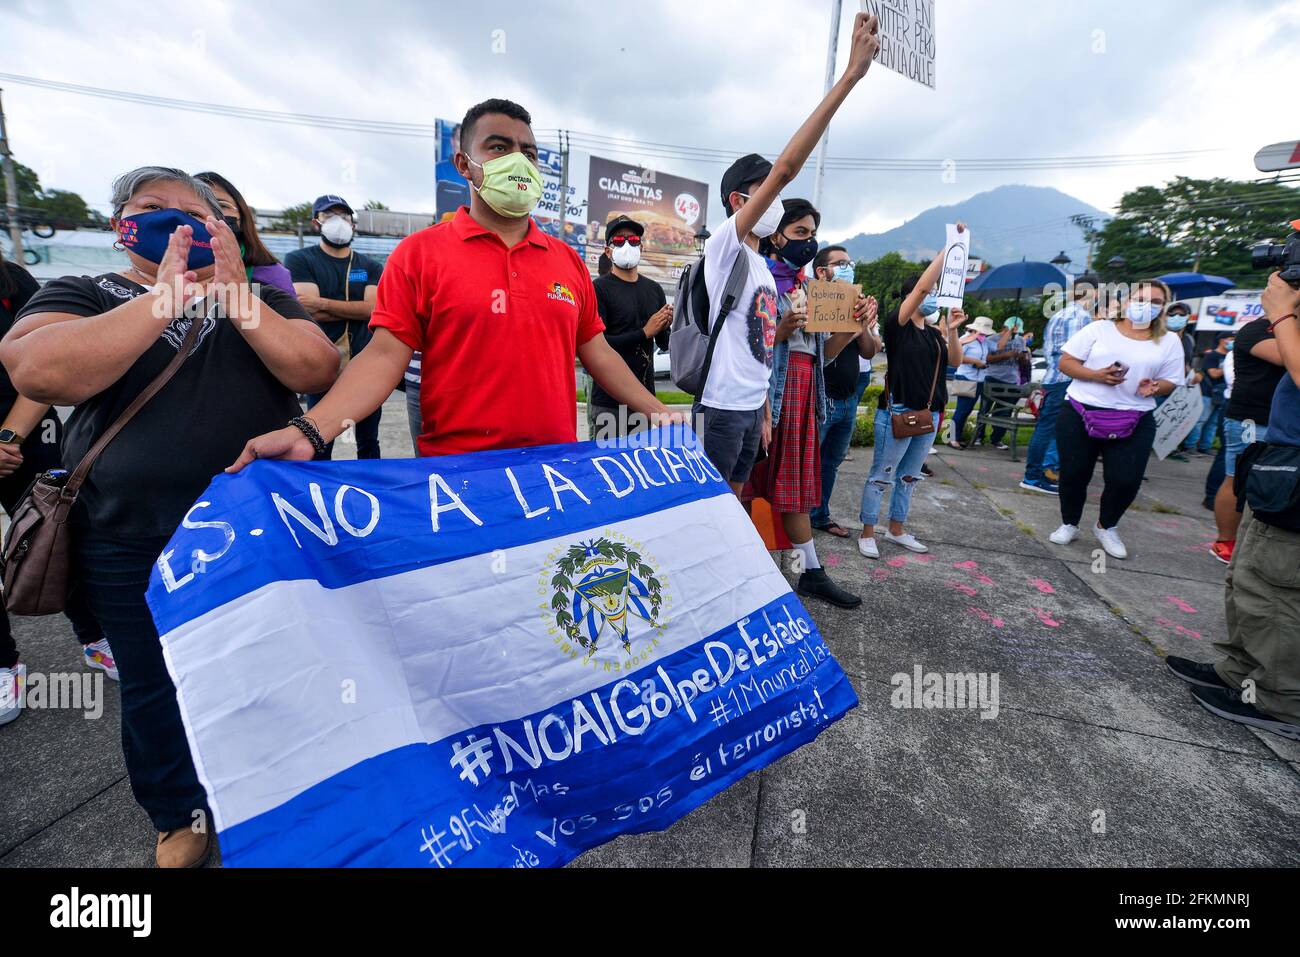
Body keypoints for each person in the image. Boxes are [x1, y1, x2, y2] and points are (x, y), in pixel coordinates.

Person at [0, 166, 338, 866]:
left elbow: (316, 368)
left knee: (266, 663)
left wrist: (236, 294)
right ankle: (176, 808)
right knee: (153, 684)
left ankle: (272, 783)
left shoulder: (256, 300)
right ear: (122, 222)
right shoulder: (87, 292)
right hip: (126, 535)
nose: (180, 222)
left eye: (200, 212)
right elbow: (38, 368)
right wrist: (164, 298)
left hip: (253, 532)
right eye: (155, 209)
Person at [228, 98, 680, 472]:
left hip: (553, 472)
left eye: (529, 151)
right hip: (455, 477)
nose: (517, 160)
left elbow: (597, 351)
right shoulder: (419, 254)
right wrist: (311, 429)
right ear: (465, 163)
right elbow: (384, 357)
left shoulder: (567, 261)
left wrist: (658, 413)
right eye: (499, 147)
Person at [697, 11, 882, 505]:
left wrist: (762, 410)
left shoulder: (761, 264)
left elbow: (757, 345)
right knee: (708, 513)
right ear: (741, 201)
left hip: (748, 408)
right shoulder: (726, 246)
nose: (777, 202)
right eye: (767, 194)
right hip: (717, 410)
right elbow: (786, 167)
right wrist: (850, 78)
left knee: (733, 507)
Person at [1166, 270, 1300, 739]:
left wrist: (1283, 311)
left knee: (1279, 588)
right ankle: (1239, 671)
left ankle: (1280, 700)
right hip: (1280, 462)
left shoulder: (1283, 321)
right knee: (1249, 574)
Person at [0, 248, 108, 727]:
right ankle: (4, 663)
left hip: (24, 436)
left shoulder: (12, 279)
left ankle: (96, 638)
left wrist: (8, 436)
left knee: (59, 534)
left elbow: (41, 361)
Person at [753, 202, 878, 608]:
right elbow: (742, 350)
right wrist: (780, 333)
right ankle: (760, 571)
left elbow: (823, 355)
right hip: (769, 394)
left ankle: (808, 571)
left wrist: (856, 324)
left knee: (795, 487)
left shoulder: (808, 289)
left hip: (805, 390)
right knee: (749, 481)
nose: (809, 242)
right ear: (777, 235)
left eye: (812, 234)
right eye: (801, 233)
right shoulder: (759, 279)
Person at [1049, 280, 1185, 559]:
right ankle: (1069, 523)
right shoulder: (1099, 329)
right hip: (1081, 411)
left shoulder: (1170, 340)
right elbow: (1066, 362)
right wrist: (1097, 375)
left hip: (1135, 417)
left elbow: (1172, 381)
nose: (1147, 305)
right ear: (1126, 301)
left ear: (1163, 309)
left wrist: (1156, 387)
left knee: (1125, 479)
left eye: (1156, 302)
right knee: (1074, 474)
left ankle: (1106, 526)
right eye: (1141, 298)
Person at [858, 233, 966, 560]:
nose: (932, 297)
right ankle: (867, 532)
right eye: (928, 293)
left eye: (934, 293)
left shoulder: (933, 333)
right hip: (898, 411)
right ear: (912, 297)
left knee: (909, 476)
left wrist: (953, 330)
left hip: (929, 413)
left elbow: (955, 362)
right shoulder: (898, 324)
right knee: (882, 475)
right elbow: (921, 288)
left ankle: (897, 528)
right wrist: (949, 250)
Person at [284, 195, 385, 460]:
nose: (338, 222)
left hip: (365, 363)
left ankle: (370, 488)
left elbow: (374, 310)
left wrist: (322, 303)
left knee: (368, 440)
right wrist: (351, 308)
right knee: (318, 439)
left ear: (353, 224)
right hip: (322, 365)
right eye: (329, 216)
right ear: (316, 222)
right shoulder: (300, 260)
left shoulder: (368, 266)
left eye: (344, 216)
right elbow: (305, 309)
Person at [810, 246, 878, 538]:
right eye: (840, 263)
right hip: (822, 399)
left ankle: (819, 515)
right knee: (808, 464)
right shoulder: (817, 305)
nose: (848, 266)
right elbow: (823, 354)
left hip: (848, 400)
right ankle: (797, 522)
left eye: (849, 261)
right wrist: (850, 327)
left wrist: (862, 324)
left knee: (831, 465)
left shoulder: (855, 304)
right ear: (822, 272)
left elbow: (870, 350)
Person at [1208, 312, 1285, 564]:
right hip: (1250, 420)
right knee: (1238, 480)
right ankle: (1225, 542)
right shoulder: (1258, 329)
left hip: (1282, 423)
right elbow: (1286, 356)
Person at [590, 215, 671, 439]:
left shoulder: (654, 289)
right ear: (608, 251)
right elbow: (599, 345)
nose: (627, 245)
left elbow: (663, 342)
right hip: (609, 403)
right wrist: (644, 332)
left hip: (645, 402)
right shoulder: (599, 289)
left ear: (641, 247)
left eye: (634, 240)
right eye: (619, 241)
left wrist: (668, 324)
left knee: (639, 469)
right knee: (607, 468)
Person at [1020, 275, 1099, 494]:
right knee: (1051, 430)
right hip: (1066, 380)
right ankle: (1037, 476)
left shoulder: (1061, 314)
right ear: (1093, 292)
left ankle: (1037, 474)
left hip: (1054, 379)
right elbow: (1077, 355)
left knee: (1048, 429)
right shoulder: (1080, 317)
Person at [194, 171, 296, 298]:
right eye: (197, 206)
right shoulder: (165, 271)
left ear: (242, 216)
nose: (211, 213)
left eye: (221, 205)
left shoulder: (271, 275)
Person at [975, 316, 1028, 450]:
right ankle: (978, 436)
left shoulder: (1020, 340)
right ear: (1005, 328)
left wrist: (1022, 357)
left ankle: (997, 438)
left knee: (1005, 411)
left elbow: (1023, 361)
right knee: (985, 409)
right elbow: (987, 358)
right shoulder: (992, 339)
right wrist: (1006, 355)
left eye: (1018, 332)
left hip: (1011, 380)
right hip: (992, 377)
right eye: (1013, 331)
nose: (1016, 334)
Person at [946, 314, 992, 449]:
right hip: (966, 376)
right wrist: (975, 362)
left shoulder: (983, 341)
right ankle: (951, 437)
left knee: (967, 410)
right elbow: (956, 357)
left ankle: (957, 437)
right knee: (961, 410)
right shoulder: (965, 339)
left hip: (978, 378)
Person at [1184, 332, 1233, 454]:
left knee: (1213, 423)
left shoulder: (1231, 357)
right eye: (1231, 339)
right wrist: (1230, 365)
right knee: (1201, 420)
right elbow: (1213, 373)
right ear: (1222, 340)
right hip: (1207, 393)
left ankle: (1205, 446)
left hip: (1223, 394)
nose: (1233, 342)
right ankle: (1190, 445)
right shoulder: (1212, 356)